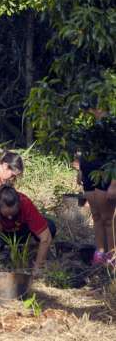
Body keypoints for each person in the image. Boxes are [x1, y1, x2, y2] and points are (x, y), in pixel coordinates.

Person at [0, 184, 56, 274]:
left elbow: (46, 236)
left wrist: (38, 266)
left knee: (50, 226)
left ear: (19, 205)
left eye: (14, 214)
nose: (10, 218)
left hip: (18, 230)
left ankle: (35, 251)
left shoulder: (25, 203)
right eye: (6, 215)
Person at [73, 102, 116, 265]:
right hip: (89, 171)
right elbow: (82, 151)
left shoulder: (111, 125)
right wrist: (80, 170)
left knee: (108, 218)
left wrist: (114, 182)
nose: (91, 111)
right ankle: (100, 252)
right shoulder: (87, 125)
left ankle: (112, 255)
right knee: (96, 216)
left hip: (106, 172)